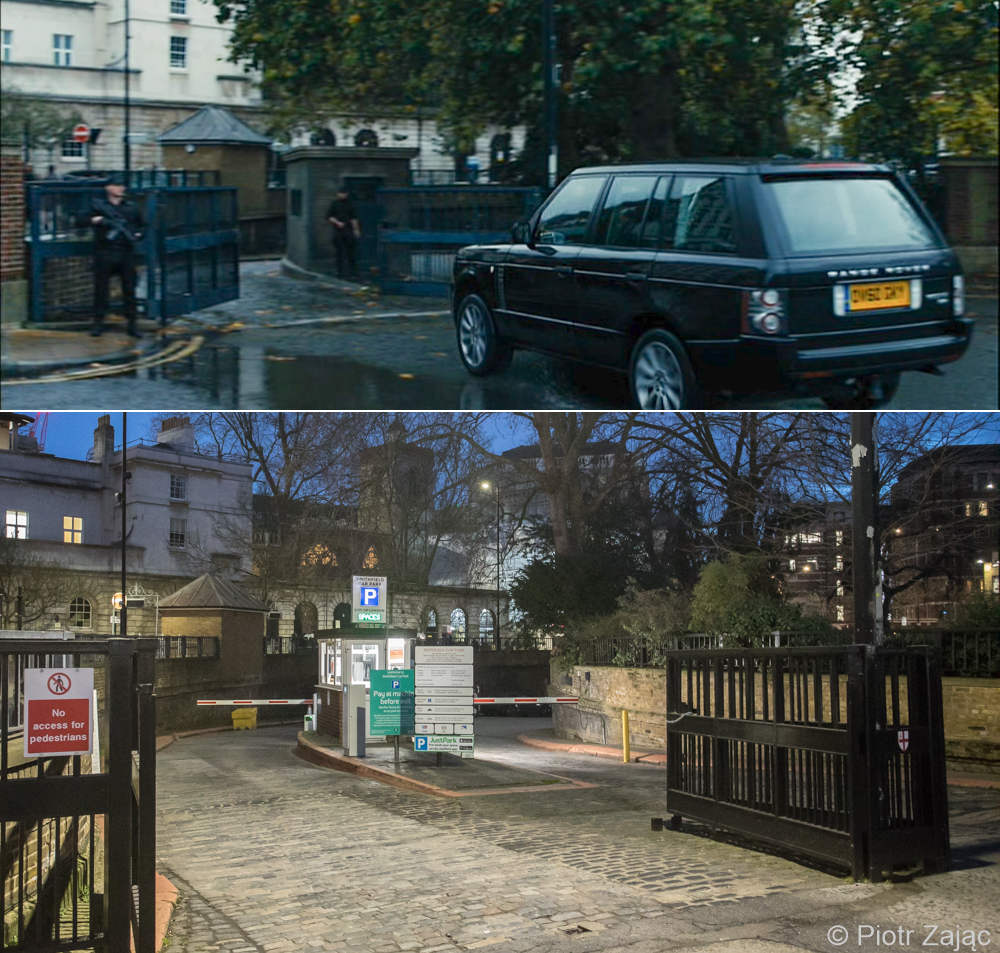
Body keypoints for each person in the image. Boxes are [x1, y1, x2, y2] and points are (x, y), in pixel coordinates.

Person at [85, 174, 144, 337]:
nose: (121, 188)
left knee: (129, 290)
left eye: (122, 185)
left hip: (125, 252)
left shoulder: (131, 207)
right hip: (105, 251)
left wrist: (137, 235)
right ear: (108, 188)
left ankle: (132, 324)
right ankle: (98, 323)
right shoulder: (98, 205)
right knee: (101, 289)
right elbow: (80, 219)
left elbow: (143, 225)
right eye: (117, 185)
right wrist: (97, 220)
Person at [326, 186, 360, 279]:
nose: (342, 195)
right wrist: (337, 222)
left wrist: (356, 230)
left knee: (351, 253)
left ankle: (352, 272)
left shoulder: (350, 204)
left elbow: (354, 218)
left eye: (344, 193)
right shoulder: (334, 204)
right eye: (341, 193)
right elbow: (329, 217)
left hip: (349, 231)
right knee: (339, 253)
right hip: (338, 231)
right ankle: (339, 272)